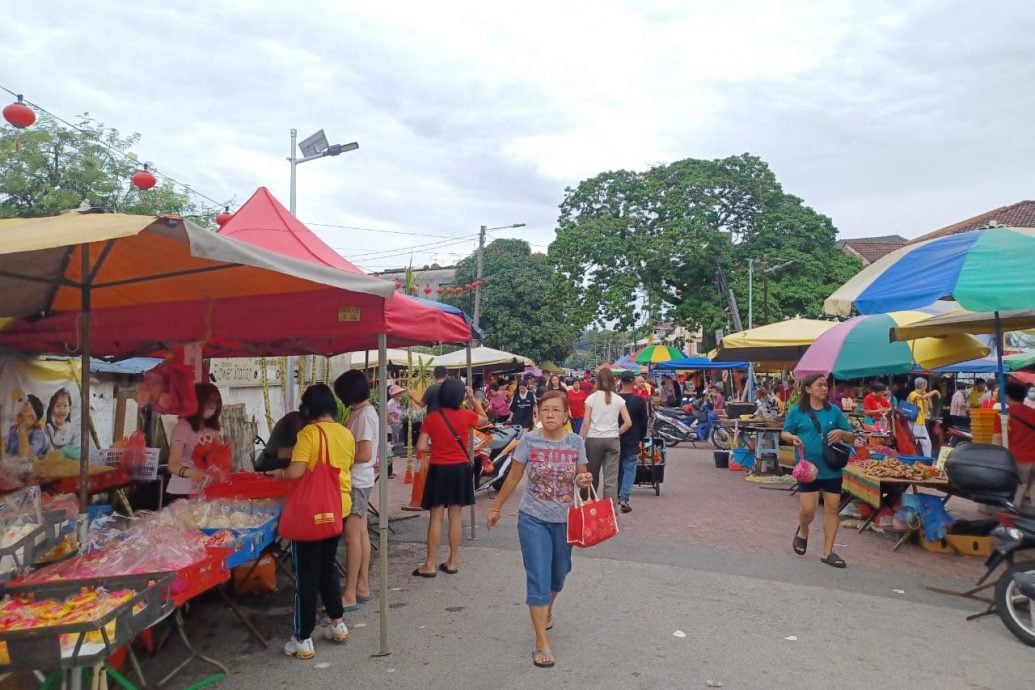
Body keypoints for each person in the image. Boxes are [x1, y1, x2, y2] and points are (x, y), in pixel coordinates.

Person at [486, 390, 593, 669]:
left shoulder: (575, 442)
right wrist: (496, 507)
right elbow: (513, 476)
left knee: (559, 574)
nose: (550, 414)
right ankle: (541, 641)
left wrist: (583, 479)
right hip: (533, 518)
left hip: (565, 519)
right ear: (538, 413)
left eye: (556, 410)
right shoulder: (529, 441)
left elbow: (582, 476)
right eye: (545, 410)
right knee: (538, 575)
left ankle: (547, 607)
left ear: (567, 414)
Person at [268, 384, 354, 658]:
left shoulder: (309, 434)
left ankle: (302, 638)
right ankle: (337, 623)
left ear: (309, 409)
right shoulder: (346, 433)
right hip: (339, 507)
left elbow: (295, 472)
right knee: (327, 567)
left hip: (312, 513)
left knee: (306, 575)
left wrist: (277, 476)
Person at [413, 378, 488, 577]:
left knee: (436, 517)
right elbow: (485, 420)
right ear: (461, 396)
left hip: (439, 468)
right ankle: (453, 561)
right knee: (455, 516)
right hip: (460, 469)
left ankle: (430, 564)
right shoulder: (466, 415)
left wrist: (435, 448)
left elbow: (420, 447)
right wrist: (473, 399)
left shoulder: (432, 418)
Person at [782, 373, 855, 569]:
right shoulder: (797, 411)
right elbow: (785, 431)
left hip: (832, 468)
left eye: (825, 385)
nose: (824, 388)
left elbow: (851, 437)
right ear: (808, 389)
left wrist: (843, 433)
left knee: (832, 508)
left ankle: (827, 552)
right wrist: (792, 438)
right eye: (820, 385)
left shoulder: (835, 412)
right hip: (807, 470)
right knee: (808, 509)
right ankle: (803, 529)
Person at [333, 371, 378, 612]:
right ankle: (361, 586)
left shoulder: (362, 417)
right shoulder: (362, 413)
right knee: (360, 534)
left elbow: (364, 453)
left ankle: (350, 593)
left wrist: (339, 460)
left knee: (353, 538)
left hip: (357, 481)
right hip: (361, 480)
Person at [580, 368, 632, 505]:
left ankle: (589, 505)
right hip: (612, 440)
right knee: (611, 479)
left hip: (593, 440)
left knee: (591, 476)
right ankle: (611, 510)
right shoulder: (619, 399)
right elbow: (628, 423)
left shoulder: (591, 399)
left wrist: (580, 439)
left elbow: (586, 423)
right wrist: (616, 432)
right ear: (613, 381)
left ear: (597, 381)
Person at [167, 383, 223, 501]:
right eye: (209, 401)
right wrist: (193, 473)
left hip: (208, 490)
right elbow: (173, 465)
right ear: (198, 402)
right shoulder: (182, 427)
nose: (213, 405)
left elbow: (218, 458)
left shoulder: (213, 429)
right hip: (183, 492)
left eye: (216, 401)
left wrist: (226, 452)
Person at [992, 382, 1035, 510]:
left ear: (1007, 396)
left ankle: (1012, 518)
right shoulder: (1033, 412)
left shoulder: (1003, 415)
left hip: (1017, 460)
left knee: (1017, 490)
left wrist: (995, 459)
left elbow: (998, 439)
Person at [616, 371, 649, 513]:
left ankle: (617, 495)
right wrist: (642, 439)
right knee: (630, 468)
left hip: (616, 438)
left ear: (620, 381)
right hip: (633, 438)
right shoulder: (639, 401)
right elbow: (644, 422)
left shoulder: (614, 399)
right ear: (634, 382)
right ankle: (624, 498)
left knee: (617, 469)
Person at [6, 394, 48, 459]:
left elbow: (25, 457)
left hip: (33, 467)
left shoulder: (39, 435)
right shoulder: (13, 430)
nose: (21, 408)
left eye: (26, 405)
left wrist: (23, 428)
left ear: (33, 418)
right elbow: (7, 451)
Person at [907, 378, 938, 456]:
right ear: (922, 385)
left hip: (921, 421)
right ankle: (911, 457)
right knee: (914, 441)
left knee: (926, 442)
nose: (926, 387)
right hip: (915, 421)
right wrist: (934, 392)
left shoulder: (923, 396)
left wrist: (927, 397)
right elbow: (920, 398)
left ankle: (928, 459)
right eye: (925, 385)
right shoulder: (913, 394)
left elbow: (929, 407)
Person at [43, 388, 79, 453]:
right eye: (58, 406)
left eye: (65, 406)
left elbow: (75, 449)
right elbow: (48, 450)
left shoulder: (72, 428)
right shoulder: (48, 428)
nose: (62, 410)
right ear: (52, 408)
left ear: (70, 408)